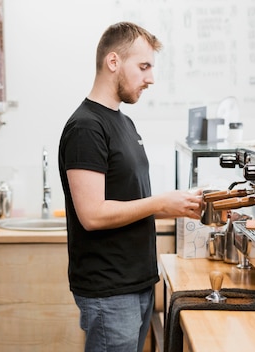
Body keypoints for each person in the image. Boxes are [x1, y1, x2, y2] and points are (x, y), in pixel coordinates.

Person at [58, 22, 203, 352]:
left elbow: (129, 200)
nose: (150, 78)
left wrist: (174, 204)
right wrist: (159, 202)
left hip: (136, 283)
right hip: (109, 291)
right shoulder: (86, 127)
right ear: (113, 62)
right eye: (144, 67)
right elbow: (92, 215)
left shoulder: (123, 122)